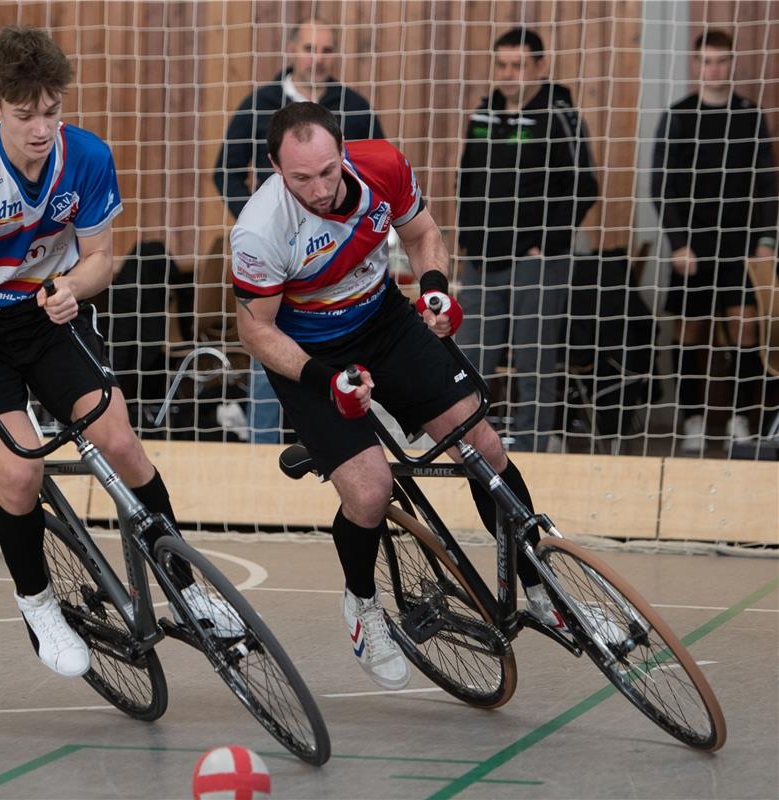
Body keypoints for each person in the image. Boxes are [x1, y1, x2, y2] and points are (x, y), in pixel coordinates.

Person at [0, 26, 237, 680]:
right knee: (21, 475)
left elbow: (100, 259)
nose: (40, 129)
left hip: (47, 316)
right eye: (24, 115)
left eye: (51, 112)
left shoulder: (85, 158)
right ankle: (38, 603)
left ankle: (186, 585)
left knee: (122, 442)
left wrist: (72, 287)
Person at [230, 101, 558, 691]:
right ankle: (362, 607)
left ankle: (539, 581)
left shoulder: (382, 165)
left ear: (344, 152)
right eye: (301, 177)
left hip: (383, 321)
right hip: (311, 354)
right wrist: (324, 381)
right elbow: (254, 331)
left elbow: (423, 233)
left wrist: (434, 291)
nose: (320, 188)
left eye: (329, 170)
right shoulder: (260, 228)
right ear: (276, 168)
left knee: (482, 443)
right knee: (371, 489)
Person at [214, 18, 386, 444]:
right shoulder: (261, 103)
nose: (318, 57)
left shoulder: (355, 106)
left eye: (326, 49)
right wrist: (257, 222)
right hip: (283, 259)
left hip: (342, 259)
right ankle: (263, 447)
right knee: (267, 344)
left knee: (353, 349)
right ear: (292, 50)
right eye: (310, 47)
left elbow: (376, 175)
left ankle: (359, 447)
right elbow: (225, 171)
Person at [456, 27, 599, 453]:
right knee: (467, 361)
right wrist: (467, 238)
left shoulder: (561, 116)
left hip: (536, 262)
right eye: (501, 65)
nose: (508, 74)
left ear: (540, 66)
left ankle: (534, 445)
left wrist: (546, 243)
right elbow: (467, 179)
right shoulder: (483, 115)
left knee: (534, 364)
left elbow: (584, 185)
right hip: (482, 259)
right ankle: (463, 443)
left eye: (518, 65)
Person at [652, 29, 777, 453]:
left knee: (745, 327)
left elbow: (765, 183)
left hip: (740, 245)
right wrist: (678, 242)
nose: (713, 69)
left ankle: (740, 418)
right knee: (689, 331)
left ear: (732, 64)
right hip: (693, 245)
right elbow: (661, 185)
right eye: (706, 61)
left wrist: (765, 238)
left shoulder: (749, 114)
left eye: (721, 61)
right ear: (695, 64)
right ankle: (692, 419)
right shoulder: (679, 115)